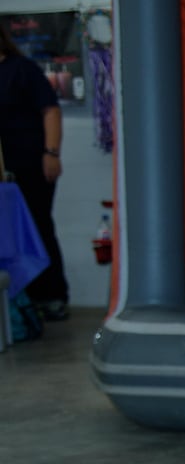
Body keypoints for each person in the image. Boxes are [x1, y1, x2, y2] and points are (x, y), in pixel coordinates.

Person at [0, 21, 69, 321]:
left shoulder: (21, 69)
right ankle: (18, 302)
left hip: (31, 163)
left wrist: (51, 152)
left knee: (37, 226)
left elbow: (51, 110)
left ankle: (51, 296)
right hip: (3, 170)